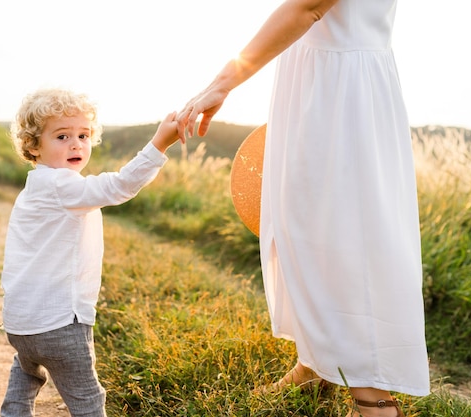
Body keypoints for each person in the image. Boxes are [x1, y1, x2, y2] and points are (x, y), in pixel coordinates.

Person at [176, 1, 430, 416]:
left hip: (342, 86)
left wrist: (223, 82)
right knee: (305, 228)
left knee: (347, 235)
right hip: (324, 77)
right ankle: (317, 361)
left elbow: (307, 7)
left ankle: (373, 400)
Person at [0, 88, 179, 417]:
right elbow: (119, 185)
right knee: (87, 399)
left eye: (83, 135)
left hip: (20, 324)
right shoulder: (61, 186)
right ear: (33, 145)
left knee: (25, 375)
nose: (76, 144)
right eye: (62, 135)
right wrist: (159, 144)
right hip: (59, 323)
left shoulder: (34, 188)